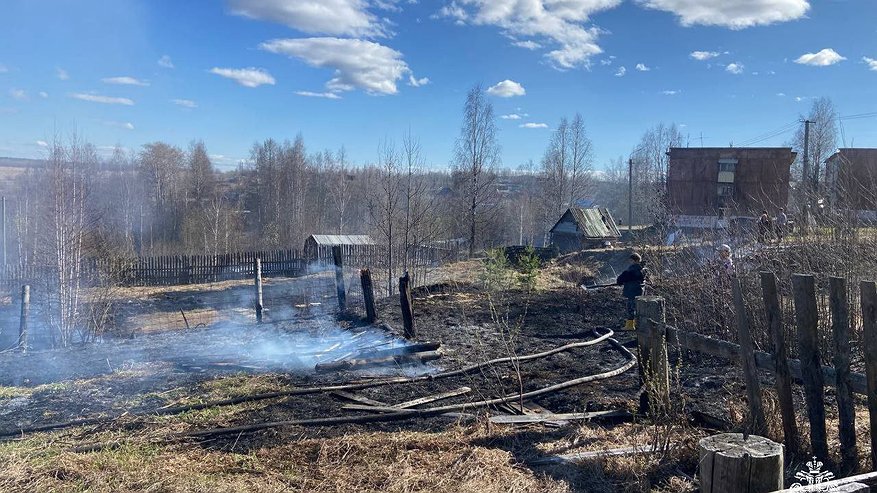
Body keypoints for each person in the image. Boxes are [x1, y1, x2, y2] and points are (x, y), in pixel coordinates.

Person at [616, 253, 647, 330]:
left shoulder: (633, 269)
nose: (630, 262)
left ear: (634, 260)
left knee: (630, 308)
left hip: (632, 291)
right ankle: (638, 324)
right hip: (639, 291)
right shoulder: (642, 269)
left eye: (631, 260)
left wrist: (620, 281)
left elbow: (623, 278)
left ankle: (630, 325)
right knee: (638, 308)